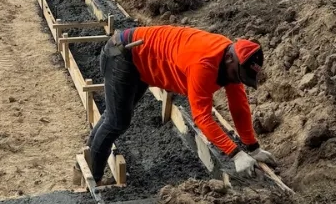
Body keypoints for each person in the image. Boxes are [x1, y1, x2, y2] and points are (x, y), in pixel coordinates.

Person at [87, 25, 277, 184]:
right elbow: (202, 117)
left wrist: (253, 148)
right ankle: (94, 179)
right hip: (124, 54)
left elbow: (239, 106)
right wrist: (235, 154)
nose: (237, 80)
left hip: (141, 60)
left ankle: (89, 156)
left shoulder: (232, 62)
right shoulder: (204, 64)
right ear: (230, 58)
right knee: (117, 121)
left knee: (115, 116)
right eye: (237, 75)